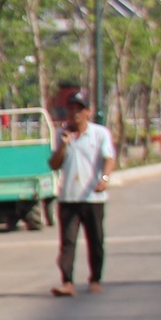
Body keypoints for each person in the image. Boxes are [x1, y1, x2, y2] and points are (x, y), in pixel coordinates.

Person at [47, 90, 114, 296]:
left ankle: (95, 279)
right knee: (67, 242)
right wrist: (63, 146)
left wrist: (104, 178)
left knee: (95, 240)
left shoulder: (99, 133)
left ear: (88, 112)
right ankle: (67, 281)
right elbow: (54, 164)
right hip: (69, 197)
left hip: (92, 197)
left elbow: (109, 158)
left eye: (79, 109)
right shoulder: (61, 135)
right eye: (71, 109)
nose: (75, 114)